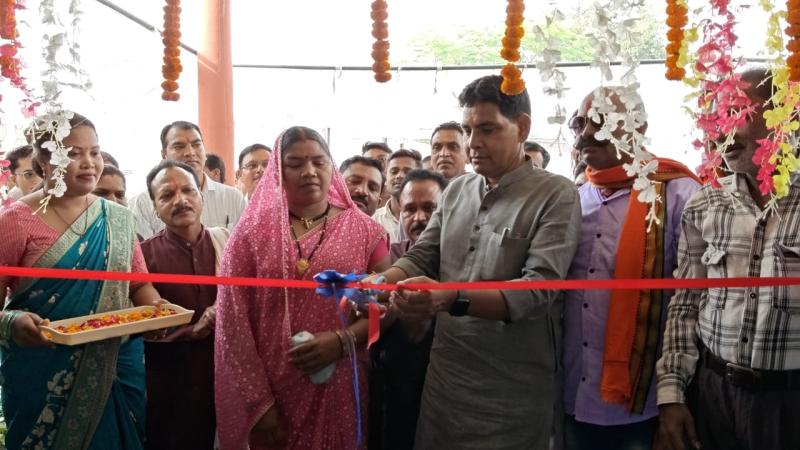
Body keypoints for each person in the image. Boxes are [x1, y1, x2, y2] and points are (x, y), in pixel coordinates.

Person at [369, 75, 581, 448]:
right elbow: (424, 255)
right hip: (445, 383)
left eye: (487, 129)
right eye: (468, 130)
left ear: (522, 127)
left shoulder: (555, 194)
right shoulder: (457, 191)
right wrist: (377, 284)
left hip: (511, 394)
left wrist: (448, 297)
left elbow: (537, 290)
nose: (473, 143)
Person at [215, 126, 391, 450]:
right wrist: (257, 401)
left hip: (340, 383)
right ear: (277, 172)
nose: (309, 171)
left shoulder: (366, 231)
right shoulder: (249, 234)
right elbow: (232, 322)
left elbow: (387, 305)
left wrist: (342, 341)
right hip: (272, 389)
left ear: (331, 167)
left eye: (319, 162)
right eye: (295, 163)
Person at [0, 111, 165, 449]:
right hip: (41, 372)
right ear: (43, 162)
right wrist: (13, 322)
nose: (89, 162)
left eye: (95, 152)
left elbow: (139, 285)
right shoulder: (14, 221)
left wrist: (157, 312)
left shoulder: (118, 218)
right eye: (73, 153)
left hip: (115, 365)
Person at [656, 69, 800, 450]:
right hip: (713, 396)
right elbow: (685, 303)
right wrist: (671, 394)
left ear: (785, 116)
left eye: (737, 113)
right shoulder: (705, 203)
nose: (722, 132)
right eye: (718, 119)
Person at [562, 87, 701, 450]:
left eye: (601, 121)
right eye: (580, 122)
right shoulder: (574, 197)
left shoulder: (680, 194)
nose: (586, 133)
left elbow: (693, 300)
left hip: (645, 402)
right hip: (571, 394)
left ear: (639, 126)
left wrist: (675, 395)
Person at [141, 160, 227, 450]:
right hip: (170, 387)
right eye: (167, 195)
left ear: (201, 196)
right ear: (155, 207)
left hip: (226, 379)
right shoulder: (143, 257)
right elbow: (138, 328)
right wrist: (190, 330)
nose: (180, 200)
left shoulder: (227, 244)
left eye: (188, 190)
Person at [369, 169, 447, 450]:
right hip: (394, 384)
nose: (420, 218)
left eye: (430, 208)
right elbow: (371, 322)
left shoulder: (462, 262)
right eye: (410, 209)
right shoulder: (389, 259)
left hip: (447, 387)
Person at [128, 121, 247, 239]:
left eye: (196, 145)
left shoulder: (233, 198)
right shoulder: (142, 203)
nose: (190, 153)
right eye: (179, 147)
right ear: (164, 155)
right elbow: (143, 250)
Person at [372, 149, 421, 243]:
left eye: (407, 172)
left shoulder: (430, 219)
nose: (399, 176)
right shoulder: (373, 220)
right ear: (385, 180)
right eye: (394, 172)